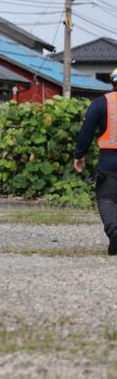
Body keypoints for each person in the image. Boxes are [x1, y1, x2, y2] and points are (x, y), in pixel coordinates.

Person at [74, 67, 117, 255]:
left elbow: (87, 131)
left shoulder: (101, 103)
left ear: (112, 82)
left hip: (109, 163)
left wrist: (79, 154)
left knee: (107, 199)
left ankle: (114, 230)